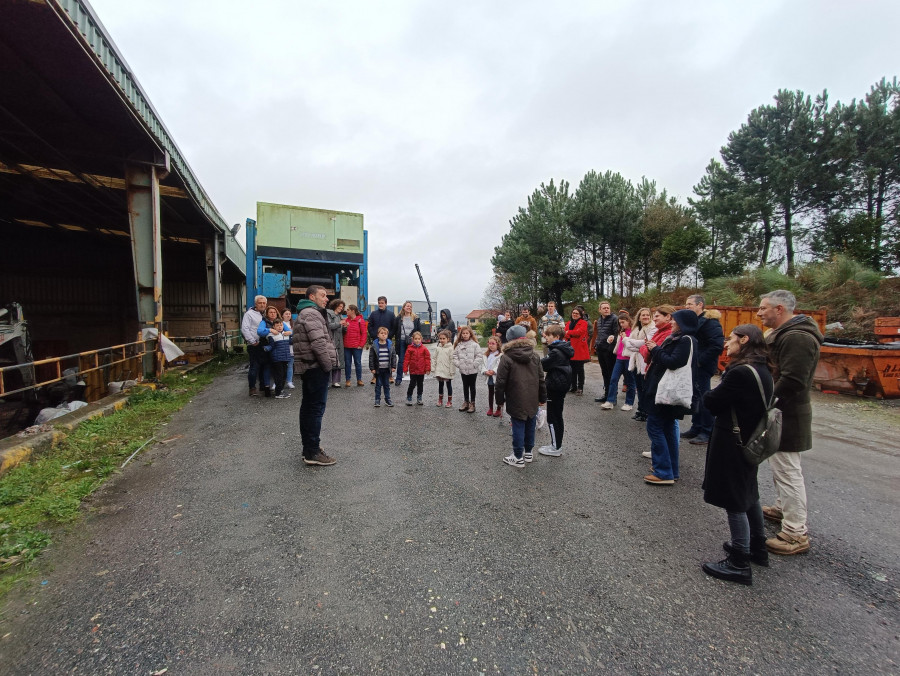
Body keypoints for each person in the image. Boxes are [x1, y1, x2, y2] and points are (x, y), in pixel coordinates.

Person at [700, 324, 774, 585]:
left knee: (733, 499)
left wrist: (714, 388)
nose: (726, 344)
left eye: (730, 339)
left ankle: (739, 561)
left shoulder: (740, 372)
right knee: (748, 492)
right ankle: (757, 547)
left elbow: (712, 401)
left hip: (732, 440)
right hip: (749, 439)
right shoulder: (763, 368)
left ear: (744, 340)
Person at [757, 289, 823, 556]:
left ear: (780, 309)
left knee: (788, 470)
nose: (760, 313)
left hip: (788, 413)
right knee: (780, 465)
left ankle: (795, 533)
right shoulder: (787, 335)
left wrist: (765, 399)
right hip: (782, 411)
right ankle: (783, 508)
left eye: (763, 308)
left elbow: (793, 380)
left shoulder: (797, 337)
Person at [642, 308, 699, 485]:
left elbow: (673, 362)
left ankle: (663, 471)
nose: (672, 322)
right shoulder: (682, 339)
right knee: (666, 429)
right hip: (663, 392)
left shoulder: (685, 340)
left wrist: (656, 349)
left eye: (675, 320)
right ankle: (670, 469)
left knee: (655, 427)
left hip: (665, 394)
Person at [293, 285, 338, 466]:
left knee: (309, 408)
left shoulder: (306, 313)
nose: (326, 299)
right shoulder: (311, 314)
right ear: (312, 296)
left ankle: (309, 448)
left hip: (311, 367)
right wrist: (328, 366)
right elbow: (318, 343)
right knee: (314, 410)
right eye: (323, 295)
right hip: (315, 367)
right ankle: (312, 451)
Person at [496, 324, 547, 468]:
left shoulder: (506, 358)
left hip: (515, 397)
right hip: (532, 397)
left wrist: (499, 400)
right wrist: (542, 397)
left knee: (518, 424)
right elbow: (541, 378)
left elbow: (500, 382)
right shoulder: (535, 355)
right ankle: (528, 452)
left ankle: (518, 456)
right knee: (531, 423)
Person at [681, 295, 724, 446]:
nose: (687, 307)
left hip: (703, 366)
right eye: (686, 304)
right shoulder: (695, 321)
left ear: (700, 305)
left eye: (690, 304)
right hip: (693, 365)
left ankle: (707, 431)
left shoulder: (710, 322)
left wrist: (699, 361)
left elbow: (716, 345)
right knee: (695, 396)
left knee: (703, 397)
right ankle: (696, 427)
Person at [539, 324, 573, 457]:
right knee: (558, 416)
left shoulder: (556, 352)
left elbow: (541, 364)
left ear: (557, 337)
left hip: (555, 386)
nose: (546, 338)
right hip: (561, 384)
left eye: (549, 336)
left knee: (553, 417)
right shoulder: (562, 349)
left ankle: (555, 447)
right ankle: (556, 444)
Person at [622, 307, 655, 421]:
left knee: (645, 387)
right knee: (639, 387)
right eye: (643, 315)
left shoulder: (652, 328)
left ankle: (646, 411)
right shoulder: (635, 328)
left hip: (645, 361)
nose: (645, 317)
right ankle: (640, 409)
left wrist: (627, 340)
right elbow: (631, 345)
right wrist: (631, 343)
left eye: (647, 315)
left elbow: (644, 343)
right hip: (635, 361)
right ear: (639, 317)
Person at [600, 313, 637, 411]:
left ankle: (629, 403)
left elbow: (632, 344)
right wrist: (611, 338)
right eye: (620, 323)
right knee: (613, 379)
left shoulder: (633, 331)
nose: (621, 324)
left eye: (623, 322)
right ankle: (610, 401)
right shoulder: (621, 330)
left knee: (630, 382)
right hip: (619, 358)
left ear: (628, 321)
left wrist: (625, 337)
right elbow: (619, 342)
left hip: (628, 358)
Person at [241, 295, 268, 396]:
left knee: (264, 366)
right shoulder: (249, 314)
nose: (262, 305)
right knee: (254, 367)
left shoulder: (266, 314)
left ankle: (262, 386)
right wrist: (252, 341)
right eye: (260, 303)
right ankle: (252, 388)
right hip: (254, 345)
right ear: (256, 304)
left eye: (264, 303)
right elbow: (245, 329)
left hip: (264, 344)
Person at [452, 325, 483, 413]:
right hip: (463, 370)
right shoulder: (459, 345)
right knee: (465, 386)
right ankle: (466, 402)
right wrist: (459, 364)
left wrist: (474, 364)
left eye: (467, 333)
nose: (465, 335)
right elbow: (454, 356)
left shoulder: (475, 345)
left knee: (472, 386)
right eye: (463, 333)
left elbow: (479, 356)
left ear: (470, 334)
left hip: (473, 370)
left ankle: (472, 403)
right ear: (461, 334)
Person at [593, 301, 619, 402]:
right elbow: (600, 334)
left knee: (611, 373)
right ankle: (607, 394)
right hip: (600, 350)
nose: (606, 309)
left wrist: (610, 346)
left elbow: (617, 334)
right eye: (604, 308)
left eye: (608, 308)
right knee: (604, 373)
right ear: (600, 310)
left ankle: (613, 396)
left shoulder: (614, 319)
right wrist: (596, 344)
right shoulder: (599, 320)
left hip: (609, 351)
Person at [368, 296, 396, 383]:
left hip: (387, 340)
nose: (380, 304)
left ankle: (390, 376)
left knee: (388, 357)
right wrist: (374, 335)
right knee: (376, 357)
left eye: (382, 303)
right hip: (376, 340)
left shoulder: (391, 315)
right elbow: (370, 326)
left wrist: (389, 336)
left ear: (386, 304)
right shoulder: (373, 314)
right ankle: (375, 376)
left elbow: (394, 327)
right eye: (379, 303)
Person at [256, 305, 282, 397]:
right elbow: (260, 332)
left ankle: (277, 387)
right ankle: (266, 387)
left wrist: (289, 332)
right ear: (267, 314)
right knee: (267, 368)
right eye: (270, 312)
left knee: (277, 369)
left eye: (274, 312)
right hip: (267, 348)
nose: (273, 314)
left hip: (278, 349)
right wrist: (270, 329)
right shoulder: (264, 322)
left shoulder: (280, 321)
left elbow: (288, 330)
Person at [394, 301, 421, 386]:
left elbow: (419, 330)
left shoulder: (416, 318)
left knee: (414, 360)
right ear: (404, 307)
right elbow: (395, 329)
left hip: (412, 342)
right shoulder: (399, 318)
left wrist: (412, 337)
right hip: (401, 341)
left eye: (410, 306)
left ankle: (415, 378)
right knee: (401, 360)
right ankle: (398, 379)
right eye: (407, 306)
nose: (409, 307)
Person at [368, 326, 397, 407]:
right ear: (378, 335)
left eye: (385, 334)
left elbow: (393, 356)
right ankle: (377, 400)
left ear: (387, 335)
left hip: (387, 369)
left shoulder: (390, 345)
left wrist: (393, 366)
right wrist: (372, 368)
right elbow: (371, 358)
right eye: (381, 333)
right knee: (378, 385)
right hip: (378, 369)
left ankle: (388, 399)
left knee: (386, 385)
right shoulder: (374, 346)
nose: (383, 335)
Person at [564, 307, 589, 395]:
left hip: (579, 349)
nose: (574, 314)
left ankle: (580, 387)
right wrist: (571, 333)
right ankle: (573, 386)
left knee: (579, 369)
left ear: (580, 315)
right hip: (570, 348)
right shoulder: (569, 323)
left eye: (577, 313)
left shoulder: (583, 323)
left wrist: (569, 332)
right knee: (571, 369)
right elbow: (565, 334)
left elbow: (580, 332)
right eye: (573, 313)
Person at [266, 318, 293, 399]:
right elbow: (271, 345)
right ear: (273, 327)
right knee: (279, 376)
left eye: (281, 325)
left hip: (285, 357)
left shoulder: (286, 334)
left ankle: (281, 390)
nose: (279, 327)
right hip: (277, 359)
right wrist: (266, 348)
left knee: (284, 375)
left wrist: (293, 334)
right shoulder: (271, 336)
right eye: (277, 326)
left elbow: (291, 342)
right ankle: (278, 393)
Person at [403, 330, 431, 405]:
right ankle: (409, 397)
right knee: (412, 384)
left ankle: (419, 397)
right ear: (413, 339)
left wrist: (428, 369)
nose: (417, 340)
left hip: (421, 371)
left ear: (421, 339)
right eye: (416, 339)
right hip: (413, 370)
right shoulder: (410, 349)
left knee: (420, 384)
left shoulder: (424, 349)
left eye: (419, 339)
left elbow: (427, 359)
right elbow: (406, 359)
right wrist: (405, 369)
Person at [343, 304, 367, 386]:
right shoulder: (346, 320)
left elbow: (364, 333)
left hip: (357, 346)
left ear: (353, 311)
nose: (347, 311)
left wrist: (361, 344)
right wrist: (344, 327)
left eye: (348, 310)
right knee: (347, 363)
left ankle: (359, 379)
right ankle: (347, 380)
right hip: (347, 346)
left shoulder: (360, 320)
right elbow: (342, 333)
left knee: (357, 363)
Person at [431, 329, 455, 407]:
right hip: (439, 370)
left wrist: (452, 371)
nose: (441, 340)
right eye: (440, 338)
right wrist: (433, 368)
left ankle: (449, 401)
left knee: (448, 385)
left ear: (448, 339)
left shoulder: (451, 349)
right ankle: (440, 399)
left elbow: (452, 361)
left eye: (443, 338)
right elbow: (434, 358)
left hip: (447, 370)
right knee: (440, 385)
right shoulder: (438, 348)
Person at [326, 299, 347, 388]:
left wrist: (345, 327)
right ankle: (326, 381)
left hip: (339, 340)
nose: (341, 308)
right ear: (335, 305)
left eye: (342, 307)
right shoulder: (328, 313)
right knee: (329, 361)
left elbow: (342, 330)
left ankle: (336, 381)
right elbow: (329, 325)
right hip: (331, 340)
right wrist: (339, 323)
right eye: (339, 306)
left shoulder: (340, 316)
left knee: (338, 361)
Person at [482, 336, 502, 416]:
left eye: (493, 343)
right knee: (490, 392)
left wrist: (494, 371)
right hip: (489, 376)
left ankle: (498, 409)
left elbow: (500, 365)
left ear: (497, 344)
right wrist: (485, 371)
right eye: (489, 343)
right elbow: (482, 365)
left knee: (498, 393)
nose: (491, 345)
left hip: (497, 377)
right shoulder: (486, 355)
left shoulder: (500, 355)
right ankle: (490, 408)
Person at [281, 308, 295, 389]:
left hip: (291, 347)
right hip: (282, 347)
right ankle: (278, 382)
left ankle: (289, 381)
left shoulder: (293, 324)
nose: (288, 315)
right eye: (286, 314)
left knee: (290, 365)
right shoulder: (280, 323)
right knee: (281, 366)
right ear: (282, 315)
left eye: (289, 314)